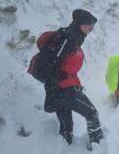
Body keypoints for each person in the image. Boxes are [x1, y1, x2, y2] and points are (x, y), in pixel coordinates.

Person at [44, 9, 103, 146]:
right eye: (89, 25)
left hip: (62, 88)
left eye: (92, 27)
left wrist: (76, 85)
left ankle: (66, 148)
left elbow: (68, 69)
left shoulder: (74, 39)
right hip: (62, 89)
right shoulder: (68, 38)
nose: (90, 29)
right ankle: (99, 146)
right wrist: (54, 88)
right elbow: (53, 63)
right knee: (92, 113)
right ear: (80, 23)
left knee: (66, 129)